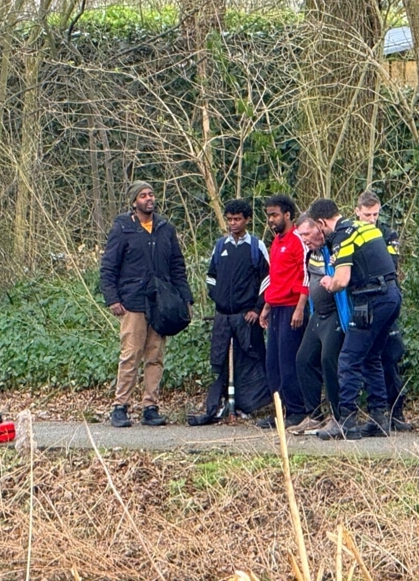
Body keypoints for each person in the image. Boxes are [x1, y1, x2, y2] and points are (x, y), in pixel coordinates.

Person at [100, 181, 193, 428]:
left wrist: (186, 299)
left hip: (161, 303)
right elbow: (109, 266)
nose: (149, 198)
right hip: (133, 301)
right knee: (131, 354)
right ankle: (120, 406)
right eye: (143, 195)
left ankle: (150, 406)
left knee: (156, 355)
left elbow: (177, 266)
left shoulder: (165, 229)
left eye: (151, 194)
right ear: (134, 202)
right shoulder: (123, 228)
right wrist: (113, 298)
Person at [308, 198, 402, 440]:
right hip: (391, 295)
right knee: (372, 357)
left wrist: (330, 284)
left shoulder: (342, 235)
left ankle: (346, 420)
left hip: (370, 300)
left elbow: (342, 280)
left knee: (348, 358)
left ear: (321, 222)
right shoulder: (364, 228)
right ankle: (379, 418)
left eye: (318, 229)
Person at [189, 199, 272, 426]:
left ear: (246, 220)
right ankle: (221, 404)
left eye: (237, 219)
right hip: (223, 317)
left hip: (248, 317)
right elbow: (211, 276)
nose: (233, 223)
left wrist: (256, 309)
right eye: (230, 219)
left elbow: (267, 279)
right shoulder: (220, 246)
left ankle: (250, 405)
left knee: (251, 360)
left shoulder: (256, 247)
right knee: (222, 360)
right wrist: (218, 298)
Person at [355, 190, 412, 431]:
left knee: (390, 356)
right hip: (363, 302)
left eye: (375, 214)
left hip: (386, 300)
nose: (371, 219)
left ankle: (397, 412)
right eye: (367, 214)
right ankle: (376, 411)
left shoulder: (387, 234)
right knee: (368, 358)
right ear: (357, 211)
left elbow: (390, 265)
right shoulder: (350, 233)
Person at [290, 214, 347, 435]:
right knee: (303, 359)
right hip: (317, 315)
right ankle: (314, 415)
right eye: (300, 235)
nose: (304, 239)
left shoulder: (333, 249)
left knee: (328, 360)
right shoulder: (310, 253)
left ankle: (337, 414)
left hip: (335, 314)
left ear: (319, 229)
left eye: (307, 234)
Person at [258, 194, 309, 428]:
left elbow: (305, 274)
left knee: (289, 361)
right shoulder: (276, 241)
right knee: (273, 363)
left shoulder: (298, 239)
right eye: (268, 215)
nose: (271, 220)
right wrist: (266, 306)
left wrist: (300, 307)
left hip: (292, 308)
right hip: (276, 307)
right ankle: (280, 410)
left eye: (274, 215)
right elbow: (275, 277)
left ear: (287, 215)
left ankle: (297, 410)